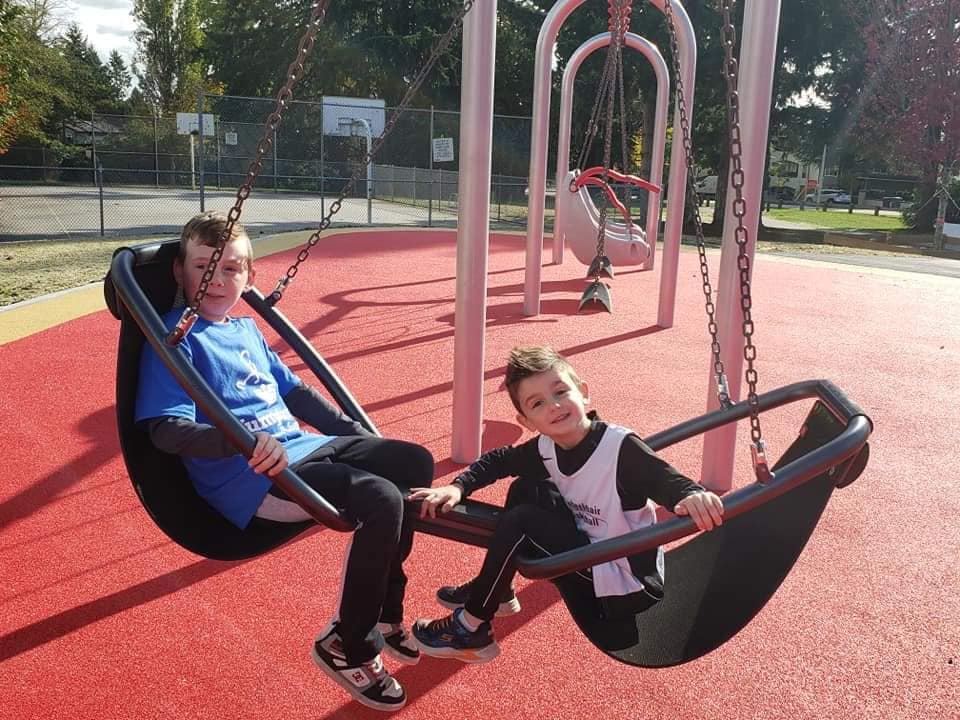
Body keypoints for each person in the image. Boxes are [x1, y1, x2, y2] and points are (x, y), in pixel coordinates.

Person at [135, 211, 432, 712]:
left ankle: (384, 611)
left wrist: (354, 433)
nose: (218, 280)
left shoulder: (246, 330)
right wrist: (239, 441)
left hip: (299, 449)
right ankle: (347, 643)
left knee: (414, 464)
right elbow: (165, 431)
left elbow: (294, 392)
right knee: (381, 498)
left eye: (232, 269)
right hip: (251, 475)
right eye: (205, 267)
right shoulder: (175, 339)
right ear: (179, 273)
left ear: (249, 276)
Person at [408, 345, 724, 663]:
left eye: (560, 391)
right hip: (589, 549)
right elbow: (499, 460)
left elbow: (666, 480)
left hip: (622, 573)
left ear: (583, 392)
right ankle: (497, 590)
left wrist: (691, 495)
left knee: (522, 520)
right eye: (538, 403)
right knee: (525, 487)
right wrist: (457, 487)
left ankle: (471, 625)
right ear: (527, 420)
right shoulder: (547, 447)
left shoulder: (620, 449)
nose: (555, 406)